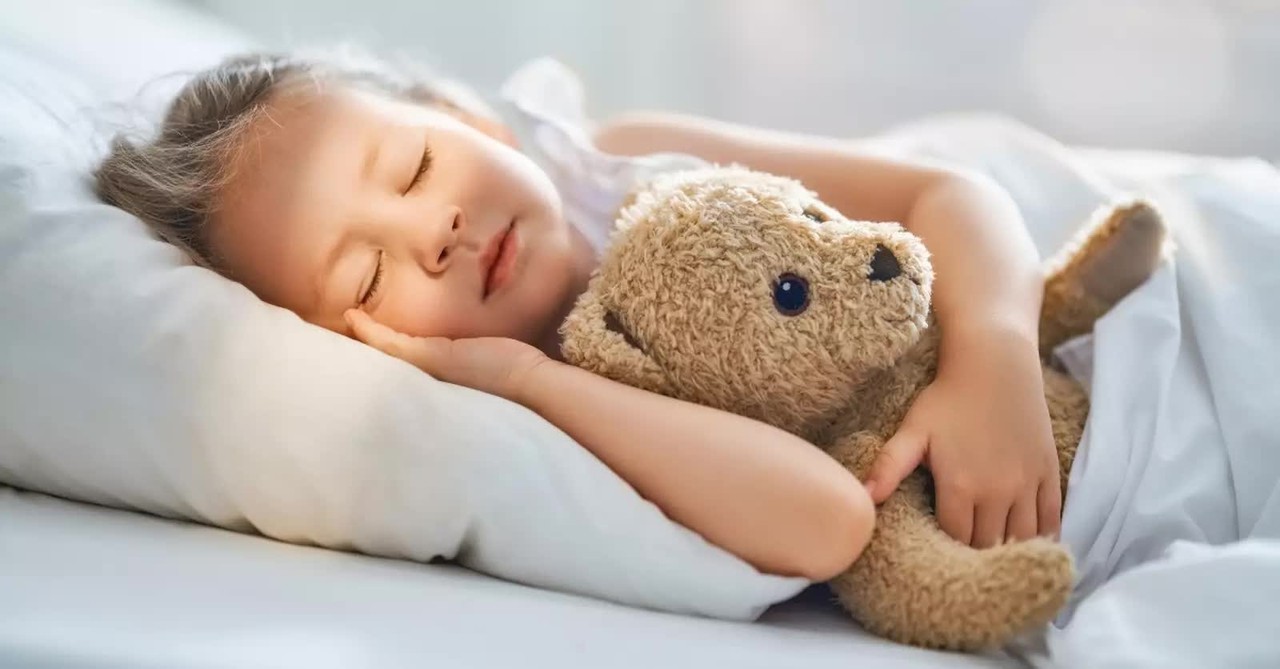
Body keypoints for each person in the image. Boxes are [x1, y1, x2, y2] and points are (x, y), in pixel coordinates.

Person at [94, 49, 1060, 583]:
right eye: (369, 274)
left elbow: (950, 195)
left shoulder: (626, 161)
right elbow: (826, 521)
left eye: (416, 168)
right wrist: (527, 380)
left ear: (470, 122)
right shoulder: (549, 414)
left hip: (1058, 354)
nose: (436, 231)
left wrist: (994, 362)